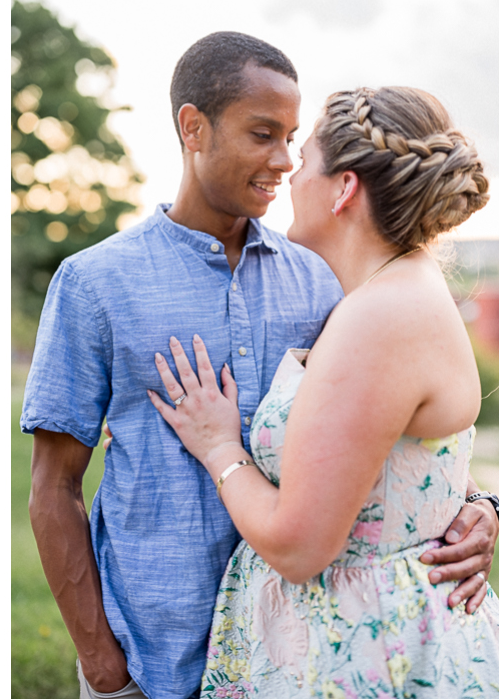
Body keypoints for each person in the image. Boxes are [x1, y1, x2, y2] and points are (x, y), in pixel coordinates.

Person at [21, 32, 498, 699]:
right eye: (262, 134)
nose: (282, 160)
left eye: (294, 141)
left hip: (284, 659)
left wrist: (474, 505)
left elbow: (389, 431)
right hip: (153, 658)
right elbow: (53, 487)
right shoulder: (95, 284)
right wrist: (104, 667)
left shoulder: (327, 283)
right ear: (194, 127)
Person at [146, 85, 498, 697]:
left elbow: (299, 546)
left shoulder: (381, 318)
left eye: (304, 157)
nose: (287, 170)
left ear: (345, 188)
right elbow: (398, 462)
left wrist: (219, 447)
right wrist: (484, 504)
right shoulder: (388, 295)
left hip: (360, 659)